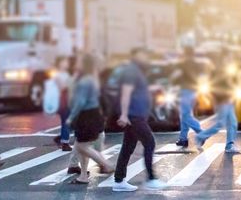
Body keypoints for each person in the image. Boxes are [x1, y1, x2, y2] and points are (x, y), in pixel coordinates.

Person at [111, 47, 162, 192]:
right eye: (144, 55)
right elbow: (126, 94)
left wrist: (150, 89)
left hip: (136, 115)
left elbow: (137, 91)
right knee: (150, 143)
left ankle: (119, 181)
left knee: (128, 147)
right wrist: (124, 115)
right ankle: (151, 179)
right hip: (134, 116)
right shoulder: (131, 71)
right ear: (136, 55)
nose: (147, 58)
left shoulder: (136, 71)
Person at [66, 53, 113, 184]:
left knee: (81, 146)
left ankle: (105, 163)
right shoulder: (92, 78)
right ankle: (83, 176)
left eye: (80, 61)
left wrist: (71, 117)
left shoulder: (85, 80)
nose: (77, 63)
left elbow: (79, 102)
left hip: (86, 116)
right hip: (94, 114)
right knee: (83, 145)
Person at [195, 53, 241, 155]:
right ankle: (200, 136)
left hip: (229, 100)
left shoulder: (230, 72)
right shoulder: (217, 72)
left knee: (232, 123)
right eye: (227, 60)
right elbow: (213, 87)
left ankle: (229, 145)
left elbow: (234, 85)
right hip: (222, 101)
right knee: (220, 123)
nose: (229, 62)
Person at [172, 46, 203, 149]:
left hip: (185, 91)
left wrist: (173, 81)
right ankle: (183, 139)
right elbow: (201, 77)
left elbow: (176, 76)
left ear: (185, 53)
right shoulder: (198, 64)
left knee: (185, 115)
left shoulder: (182, 63)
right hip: (194, 91)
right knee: (185, 115)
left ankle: (201, 133)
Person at [52, 57, 73, 152]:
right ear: (60, 64)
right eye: (64, 62)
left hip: (67, 100)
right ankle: (65, 143)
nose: (67, 64)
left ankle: (61, 138)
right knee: (66, 122)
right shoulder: (57, 75)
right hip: (63, 101)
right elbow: (62, 87)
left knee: (67, 122)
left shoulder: (66, 74)